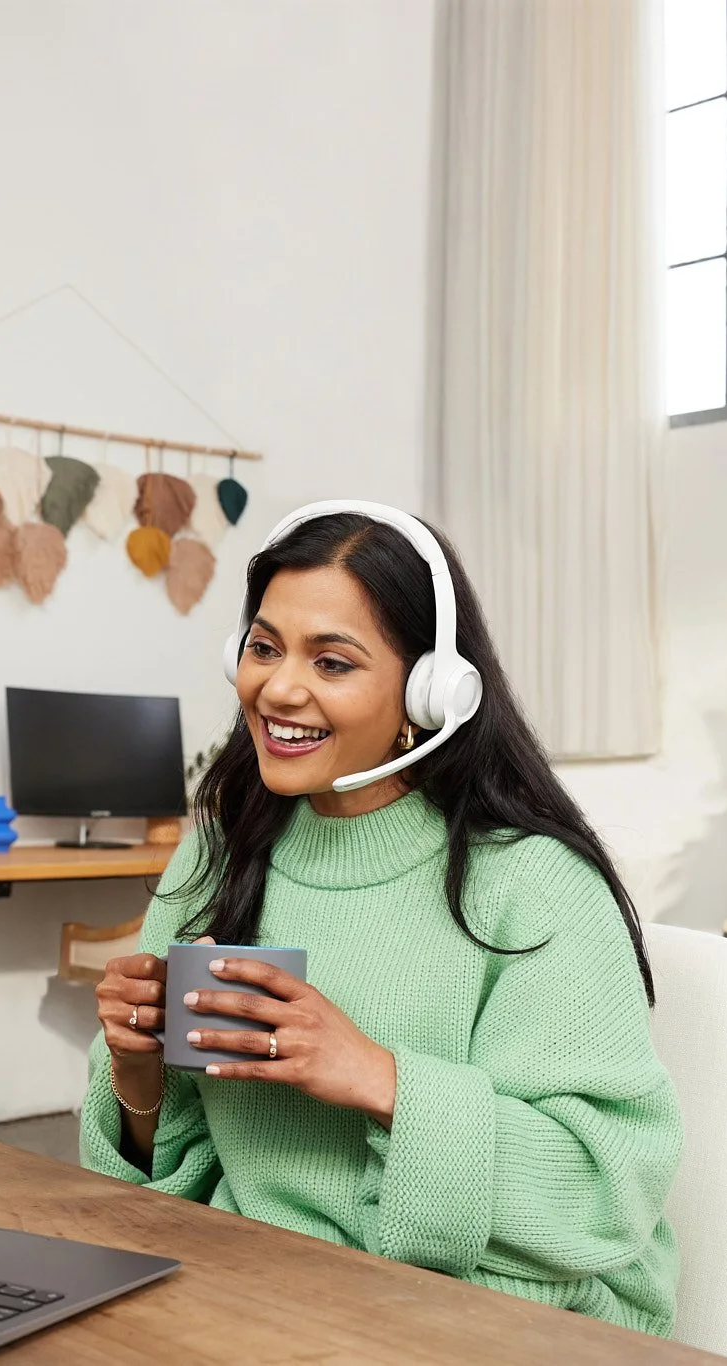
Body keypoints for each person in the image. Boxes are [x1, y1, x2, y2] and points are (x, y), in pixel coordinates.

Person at [79, 503, 680, 1337]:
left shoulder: (533, 881)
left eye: (332, 661)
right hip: (258, 1287)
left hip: (501, 1315)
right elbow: (164, 1187)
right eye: (263, 647)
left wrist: (372, 1075)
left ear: (429, 693)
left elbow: (604, 1194)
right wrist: (136, 1071)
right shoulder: (222, 851)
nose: (278, 688)